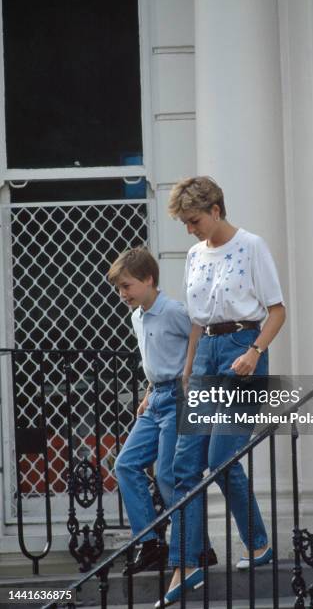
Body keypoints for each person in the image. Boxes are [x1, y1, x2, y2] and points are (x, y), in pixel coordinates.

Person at [156, 176, 286, 607]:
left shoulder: (251, 246)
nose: (188, 230)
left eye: (193, 221)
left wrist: (255, 351)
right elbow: (196, 319)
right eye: (184, 223)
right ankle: (187, 563)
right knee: (184, 464)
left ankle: (257, 542)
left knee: (219, 459)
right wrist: (189, 369)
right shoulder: (194, 254)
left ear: (215, 210)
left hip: (242, 352)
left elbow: (277, 311)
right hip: (208, 352)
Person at [108, 247, 191, 574]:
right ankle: (151, 542)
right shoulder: (137, 316)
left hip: (178, 398)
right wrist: (147, 392)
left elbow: (197, 343)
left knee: (170, 475)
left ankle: (193, 547)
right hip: (155, 399)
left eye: (127, 286)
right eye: (118, 288)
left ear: (149, 279)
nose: (122, 294)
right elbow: (154, 360)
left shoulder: (173, 311)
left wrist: (191, 384)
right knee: (126, 464)